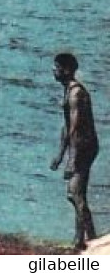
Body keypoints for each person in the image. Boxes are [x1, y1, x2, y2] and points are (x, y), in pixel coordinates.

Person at [51, 53, 99, 251]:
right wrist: (60, 155)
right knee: (77, 193)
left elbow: (76, 127)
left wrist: (71, 160)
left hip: (84, 146)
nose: (54, 71)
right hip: (79, 145)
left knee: (74, 193)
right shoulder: (67, 91)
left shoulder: (75, 93)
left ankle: (88, 239)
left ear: (67, 70)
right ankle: (84, 239)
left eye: (57, 67)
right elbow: (66, 127)